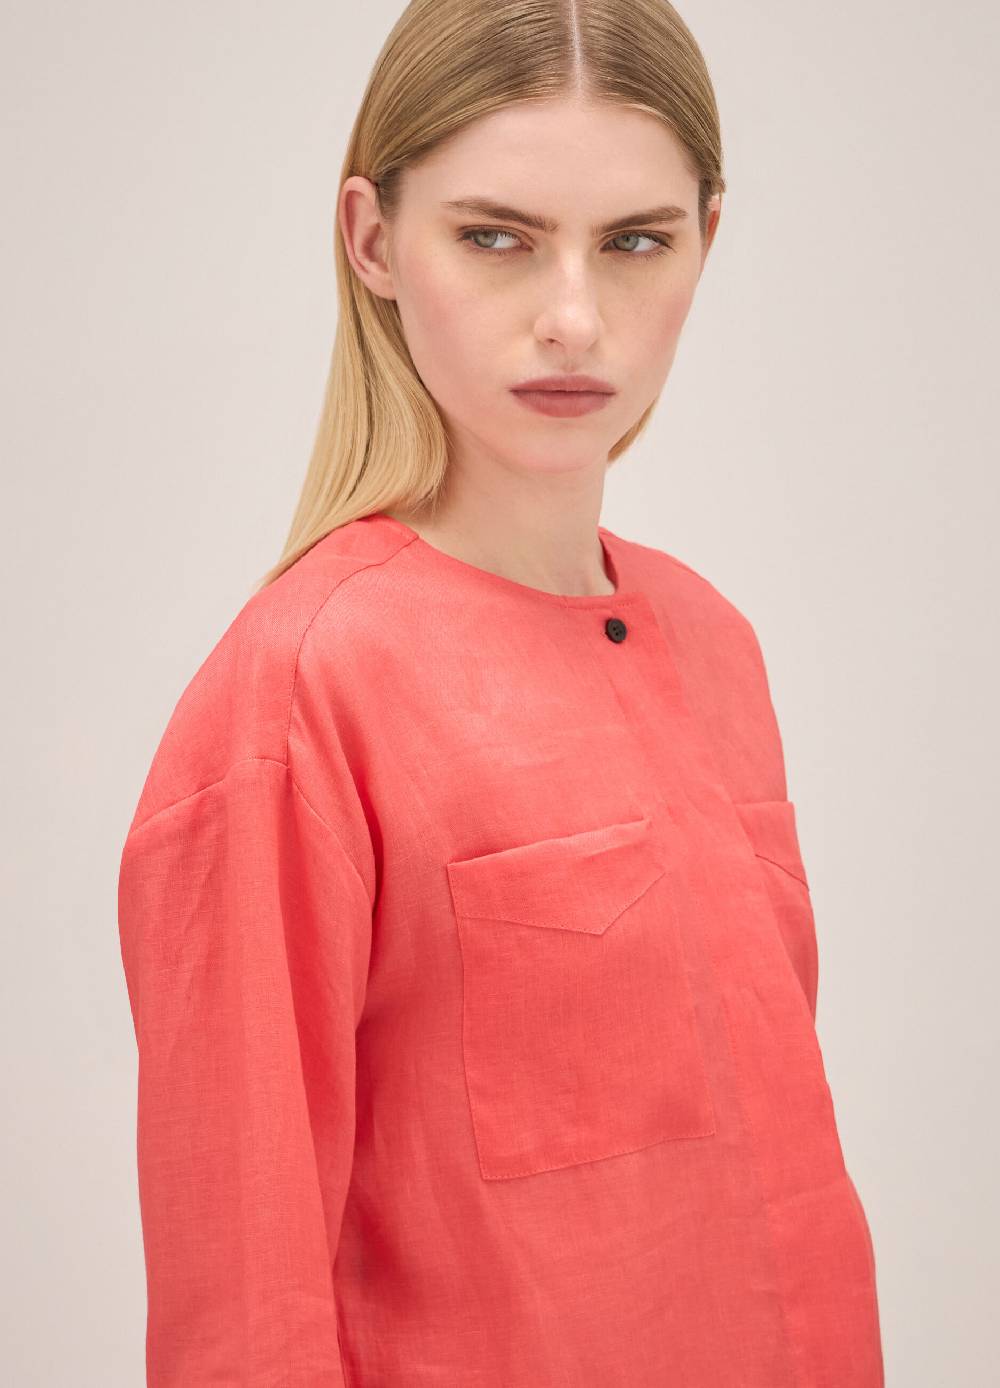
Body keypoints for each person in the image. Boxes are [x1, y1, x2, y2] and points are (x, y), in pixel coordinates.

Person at [116, 1, 885, 1383]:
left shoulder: (717, 645)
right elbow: (244, 1312)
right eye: (496, 237)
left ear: (709, 240)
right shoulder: (303, 691)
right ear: (373, 241)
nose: (575, 317)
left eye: (636, 241)